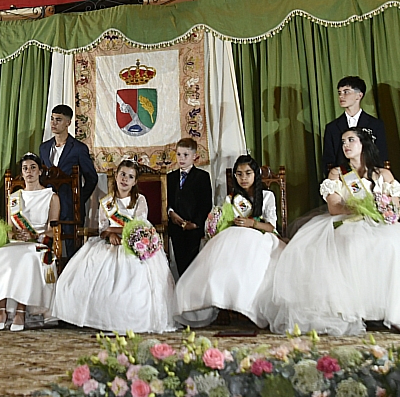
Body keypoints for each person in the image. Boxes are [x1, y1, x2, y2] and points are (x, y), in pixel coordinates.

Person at [259, 128, 400, 336]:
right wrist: (360, 208)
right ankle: (356, 310)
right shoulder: (338, 174)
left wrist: (385, 211)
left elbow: (395, 207)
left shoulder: (383, 174)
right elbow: (334, 207)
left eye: (351, 140)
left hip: (378, 224)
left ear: (363, 144)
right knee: (353, 242)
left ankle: (390, 310)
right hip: (346, 222)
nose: (346, 145)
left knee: (394, 243)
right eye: (343, 141)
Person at [52, 159, 177, 333]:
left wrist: (114, 228)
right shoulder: (107, 202)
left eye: (130, 177)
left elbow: (139, 226)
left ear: (135, 182)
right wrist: (109, 233)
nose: (125, 179)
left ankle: (132, 319)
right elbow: (102, 228)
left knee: (133, 280)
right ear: (116, 176)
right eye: (123, 174)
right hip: (108, 246)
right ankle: (99, 319)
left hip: (134, 245)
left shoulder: (140, 200)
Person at [175, 154, 282, 328]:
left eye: (248, 173)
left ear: (255, 174)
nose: (244, 178)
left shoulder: (267, 196)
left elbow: (271, 227)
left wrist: (252, 223)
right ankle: (223, 305)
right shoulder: (231, 199)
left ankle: (250, 307)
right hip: (234, 236)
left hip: (260, 236)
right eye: (239, 174)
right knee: (220, 254)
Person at [0, 153, 61, 332]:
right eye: (25, 168)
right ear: (22, 173)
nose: (29, 172)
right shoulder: (15, 198)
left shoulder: (51, 197)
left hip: (37, 243)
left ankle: (20, 311)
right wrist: (12, 233)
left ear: (40, 171)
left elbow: (53, 230)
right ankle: (1, 311)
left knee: (25, 259)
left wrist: (34, 235)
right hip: (16, 243)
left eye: (33, 167)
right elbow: (10, 228)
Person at [39, 105, 98, 236]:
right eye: (52, 119)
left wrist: (79, 198)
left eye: (58, 120)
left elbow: (92, 178)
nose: (53, 123)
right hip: (47, 205)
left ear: (68, 122)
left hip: (70, 206)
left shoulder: (78, 148)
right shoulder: (44, 148)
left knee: (72, 245)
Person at [165, 138, 212, 276]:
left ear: (194, 156)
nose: (181, 158)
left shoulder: (202, 177)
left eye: (186, 155)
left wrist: (195, 224)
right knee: (180, 261)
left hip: (193, 228)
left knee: (192, 263)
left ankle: (192, 291)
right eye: (179, 154)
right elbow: (167, 200)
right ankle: (182, 289)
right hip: (176, 227)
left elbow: (205, 203)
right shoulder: (170, 177)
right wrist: (171, 213)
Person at [322, 76, 388, 171]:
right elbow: (328, 160)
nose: (341, 96)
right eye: (339, 93)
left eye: (346, 92)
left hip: (370, 177)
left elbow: (381, 155)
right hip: (342, 179)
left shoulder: (376, 125)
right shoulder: (332, 127)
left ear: (359, 95)